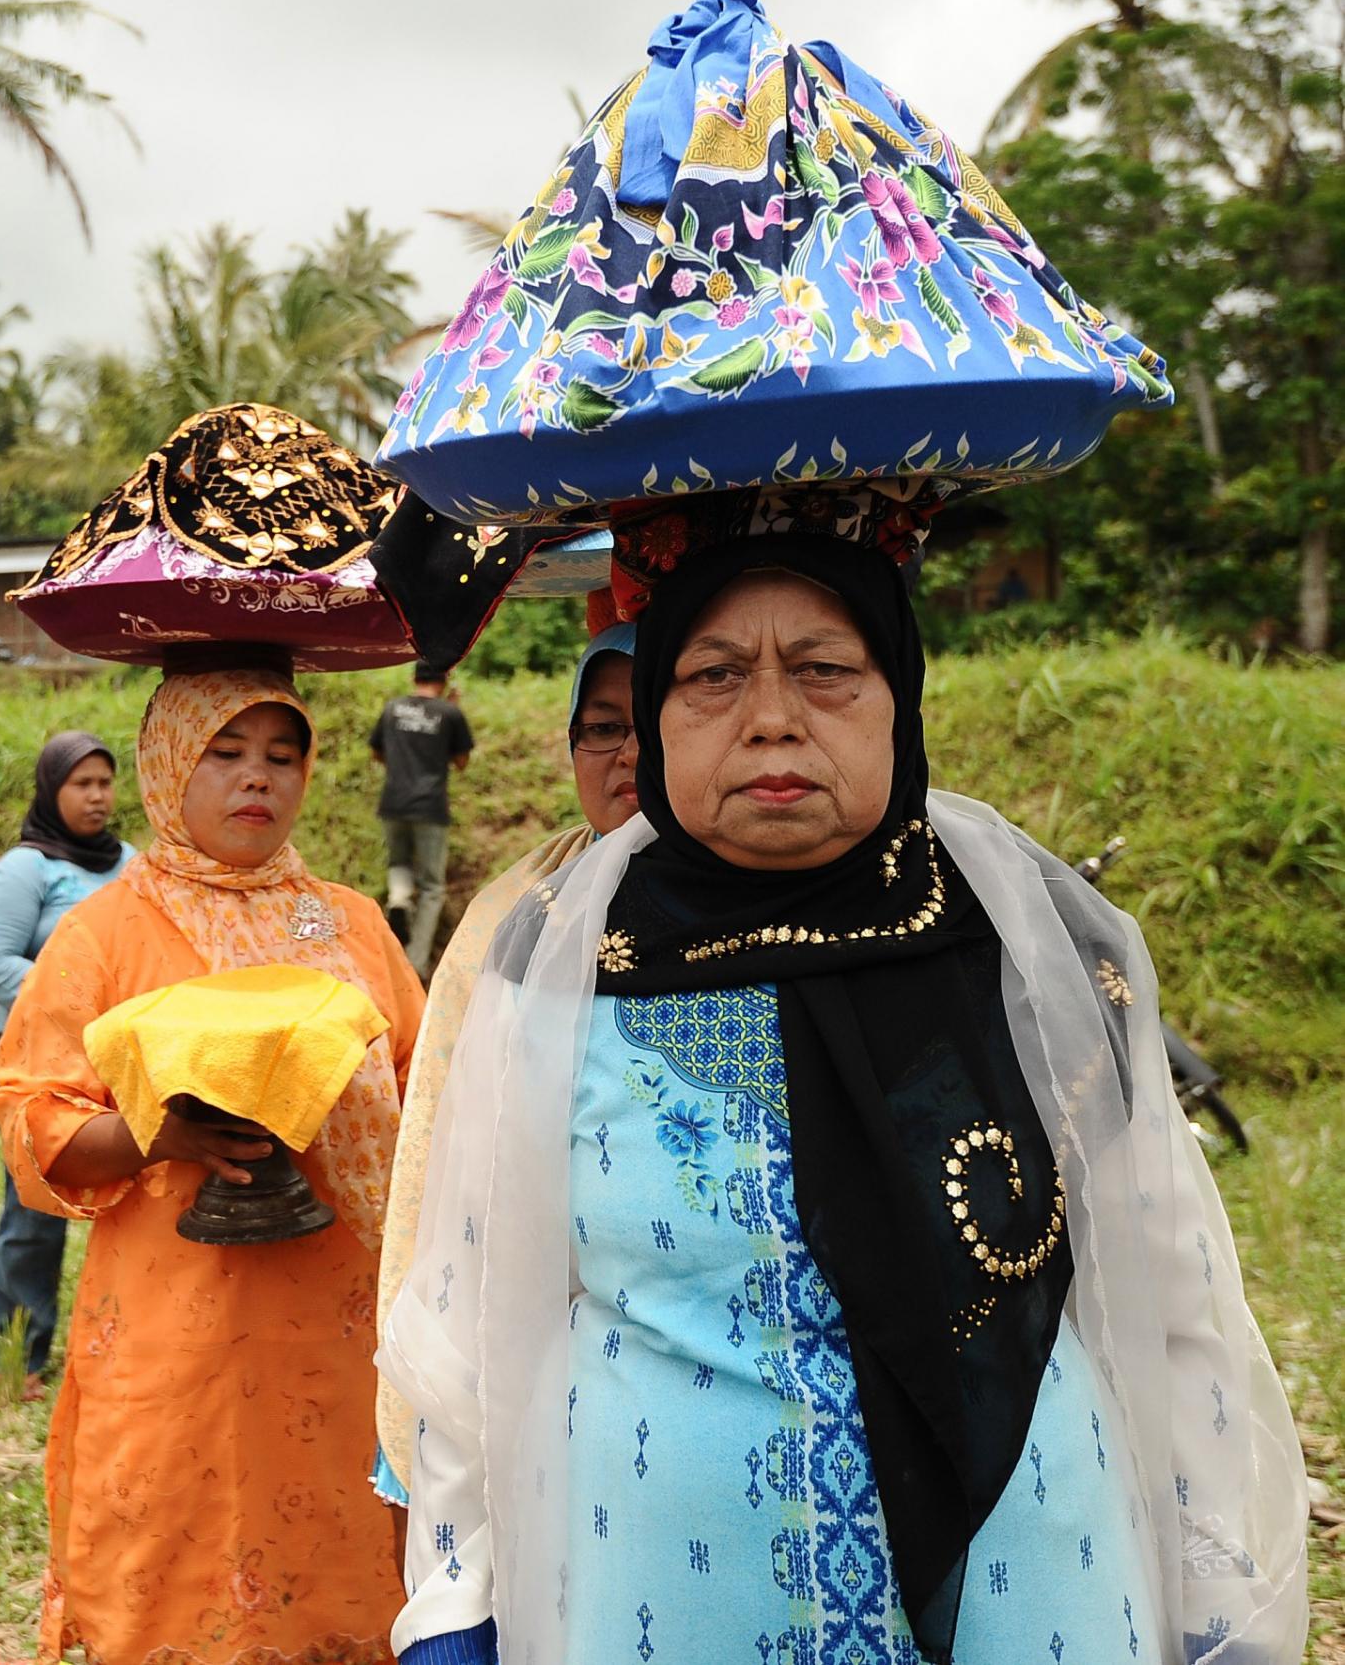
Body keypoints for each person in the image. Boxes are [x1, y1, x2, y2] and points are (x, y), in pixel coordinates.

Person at [382, 514, 1308, 1665]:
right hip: (668, 1588)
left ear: (899, 694)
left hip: (1031, 1583)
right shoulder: (570, 959)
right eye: (712, 675)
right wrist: (455, 1596)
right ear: (658, 717)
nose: (771, 715)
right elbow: (474, 1310)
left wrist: (1224, 1607)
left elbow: (1172, 1304)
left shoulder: (1031, 944)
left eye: (825, 670)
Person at [0, 667, 426, 1665]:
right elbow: (33, 1119)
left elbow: (420, 1081)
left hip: (345, 1322)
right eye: (224, 753)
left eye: (282, 756)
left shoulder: (350, 923)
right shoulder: (104, 932)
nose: (256, 780)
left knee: (349, 1565)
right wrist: (164, 1132)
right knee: (174, 1574)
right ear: (167, 765)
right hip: (172, 1326)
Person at [372, 622, 636, 1503]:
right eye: (600, 727)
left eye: (654, 720)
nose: (628, 754)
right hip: (525, 1311)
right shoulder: (516, 907)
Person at [0, 731, 134, 1395]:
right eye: (81, 783)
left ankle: (118, 1347)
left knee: (133, 1207)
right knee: (33, 1217)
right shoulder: (25, 870)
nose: (96, 796)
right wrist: (80, 1001)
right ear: (51, 789)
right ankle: (20, 1360)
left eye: (104, 782)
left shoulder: (134, 866)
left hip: (128, 1064)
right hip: (48, 1067)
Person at [370, 662, 475, 975]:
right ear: (444, 680)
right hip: (430, 807)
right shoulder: (449, 713)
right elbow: (462, 761)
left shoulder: (392, 709)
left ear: (414, 678)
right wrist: (450, 715)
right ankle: (416, 963)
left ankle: (400, 899)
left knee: (398, 862)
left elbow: (376, 752)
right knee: (431, 887)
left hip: (393, 801)